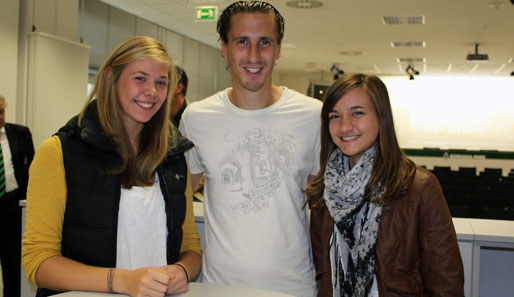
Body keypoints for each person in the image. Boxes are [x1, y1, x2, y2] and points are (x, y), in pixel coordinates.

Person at [22, 36, 201, 297]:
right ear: (109, 77)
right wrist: (121, 281)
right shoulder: (59, 152)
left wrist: (182, 271)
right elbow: (38, 261)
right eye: (140, 78)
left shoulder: (173, 157)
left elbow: (190, 247)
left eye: (161, 83)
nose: (151, 91)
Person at [179, 1, 321, 296]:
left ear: (279, 49)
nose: (253, 55)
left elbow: (327, 202)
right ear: (224, 47)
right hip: (219, 287)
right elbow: (178, 203)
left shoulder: (312, 116)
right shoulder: (197, 118)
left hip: (294, 287)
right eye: (242, 41)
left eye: (264, 42)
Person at [308, 73, 464, 297]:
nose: (344, 127)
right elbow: (324, 274)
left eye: (357, 113)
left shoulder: (419, 188)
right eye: (334, 116)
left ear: (381, 117)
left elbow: (446, 283)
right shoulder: (324, 191)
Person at [0, 95, 34, 297]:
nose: (0, 116)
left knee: (13, 265)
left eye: (1, 111)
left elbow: (33, 165)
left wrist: (25, 193)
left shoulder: (19, 133)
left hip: (12, 207)